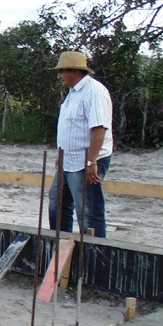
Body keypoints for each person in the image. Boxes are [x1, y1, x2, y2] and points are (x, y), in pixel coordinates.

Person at [46, 51, 114, 238]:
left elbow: (99, 128)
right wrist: (61, 156)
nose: (59, 76)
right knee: (57, 203)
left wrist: (92, 162)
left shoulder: (94, 91)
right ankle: (61, 244)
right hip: (69, 159)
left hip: (85, 160)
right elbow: (70, 127)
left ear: (75, 71)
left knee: (88, 211)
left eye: (62, 72)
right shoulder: (72, 93)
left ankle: (93, 254)